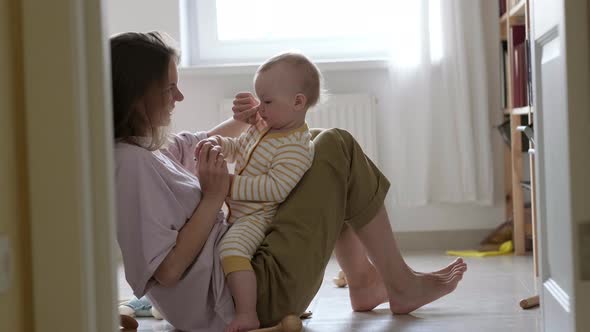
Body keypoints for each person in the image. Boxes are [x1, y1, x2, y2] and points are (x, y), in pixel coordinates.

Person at [112, 31, 467, 332]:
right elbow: (168, 271)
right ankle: (395, 284)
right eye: (169, 88)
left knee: (309, 145)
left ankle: (365, 281)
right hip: (242, 294)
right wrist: (212, 199)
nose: (179, 97)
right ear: (137, 95)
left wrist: (246, 119)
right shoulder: (131, 165)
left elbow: (200, 145)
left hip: (243, 275)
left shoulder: (146, 150)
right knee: (334, 145)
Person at [195, 52, 319, 331]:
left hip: (258, 217)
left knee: (231, 249)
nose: (259, 108)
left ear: (298, 102)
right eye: (259, 99)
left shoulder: (297, 147)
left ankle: (247, 312)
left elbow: (276, 188)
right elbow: (240, 147)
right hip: (236, 211)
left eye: (267, 101)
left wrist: (227, 184)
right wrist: (219, 144)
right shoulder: (266, 125)